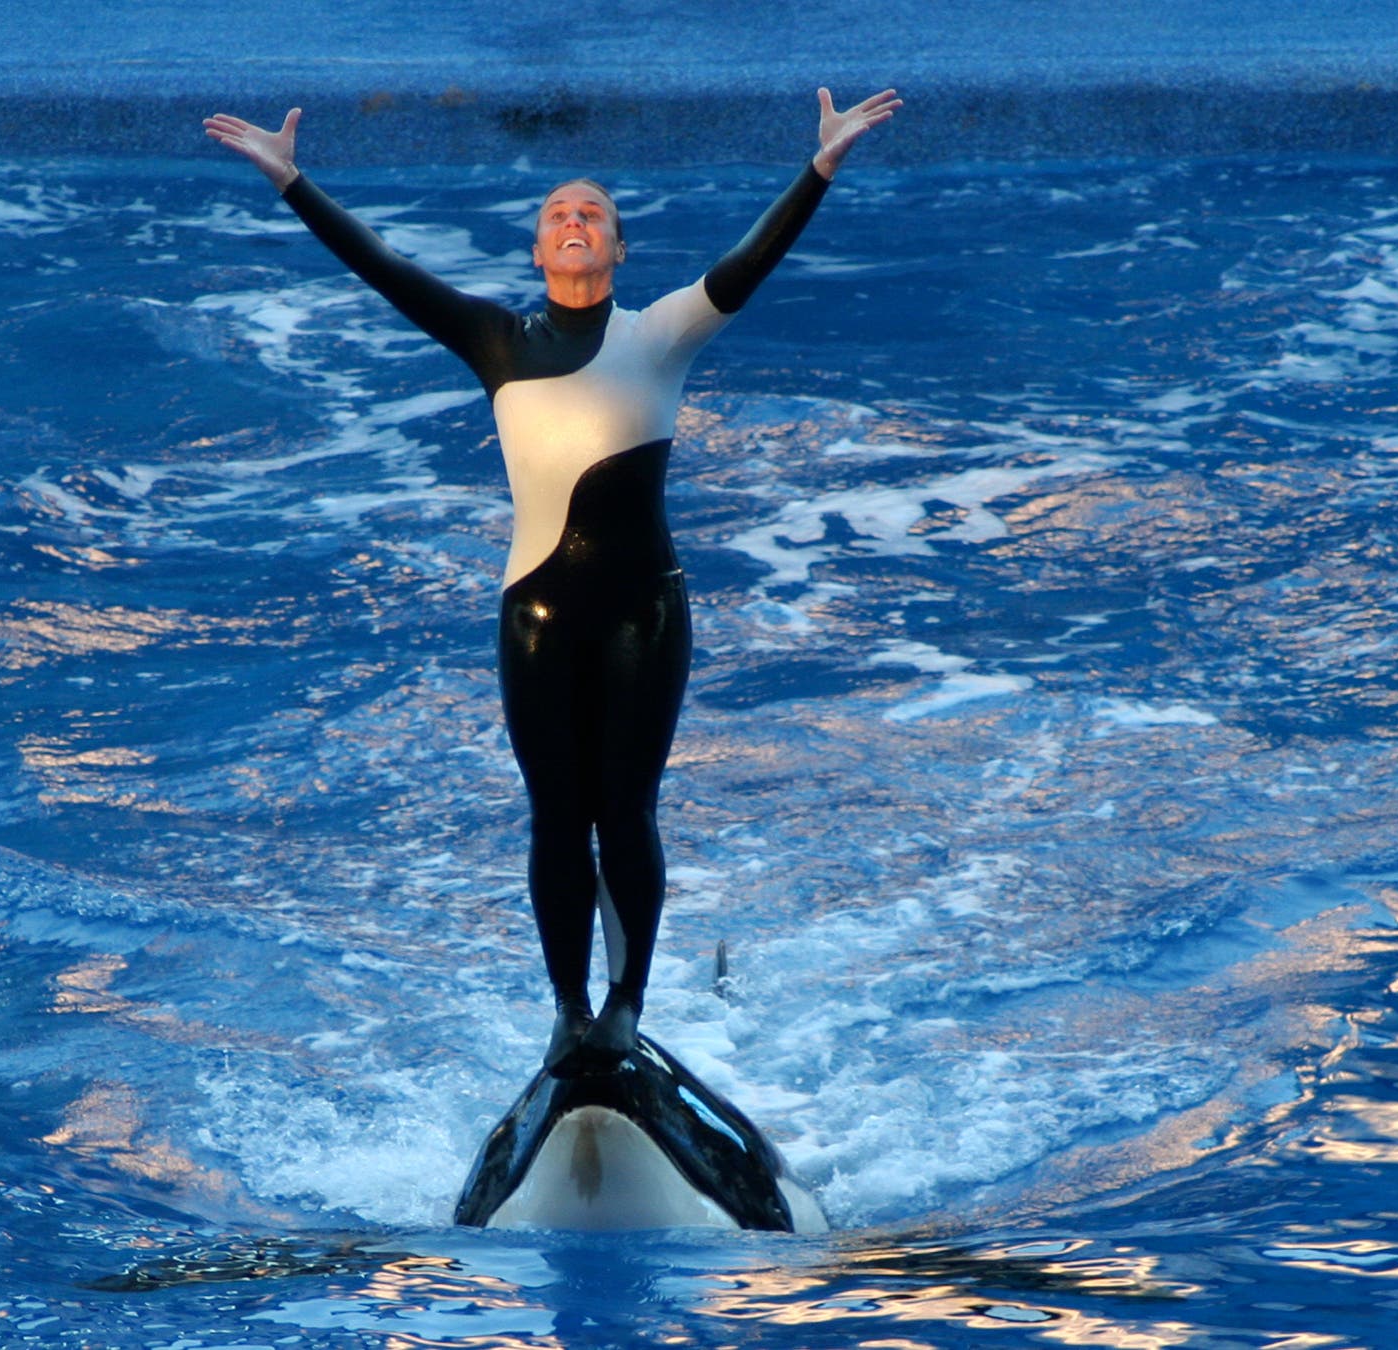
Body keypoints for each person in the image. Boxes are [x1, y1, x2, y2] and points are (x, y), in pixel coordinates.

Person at [205, 88, 900, 1076]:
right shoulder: (496, 341)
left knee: (626, 810)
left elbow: (747, 265)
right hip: (534, 617)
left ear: (617, 250)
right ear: (538, 253)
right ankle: (568, 1011)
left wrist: (820, 166)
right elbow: (384, 268)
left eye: (593, 215)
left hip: (642, 614)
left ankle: (625, 1006)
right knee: (555, 815)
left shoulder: (658, 334)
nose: (574, 223)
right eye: (557, 217)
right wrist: (292, 181)